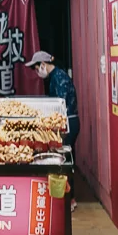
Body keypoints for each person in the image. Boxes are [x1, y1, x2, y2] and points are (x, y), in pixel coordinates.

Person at [25, 51, 80, 211]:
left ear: (43, 64)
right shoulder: (54, 77)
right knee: (64, 159)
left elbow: (60, 105)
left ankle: (68, 198)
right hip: (65, 122)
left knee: (64, 161)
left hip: (68, 122)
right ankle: (66, 196)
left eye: (36, 68)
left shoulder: (59, 78)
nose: (37, 72)